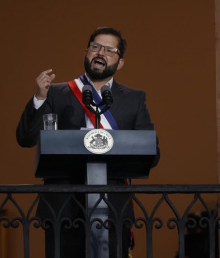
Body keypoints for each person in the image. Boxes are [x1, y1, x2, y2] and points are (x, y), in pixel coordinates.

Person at [16, 27, 159, 258]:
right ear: (86, 52)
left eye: (109, 50)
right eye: (95, 46)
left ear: (120, 62)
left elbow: (152, 153)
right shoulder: (56, 93)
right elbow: (26, 139)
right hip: (63, 207)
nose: (100, 53)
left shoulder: (135, 98)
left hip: (113, 208)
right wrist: (40, 98)